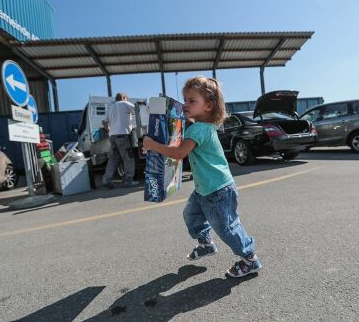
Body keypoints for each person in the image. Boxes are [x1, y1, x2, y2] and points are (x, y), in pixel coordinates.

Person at [143, 76, 261, 278]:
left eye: (192, 100)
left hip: (217, 191)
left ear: (208, 106)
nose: (185, 104)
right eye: (185, 99)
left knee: (227, 228)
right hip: (204, 190)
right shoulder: (201, 126)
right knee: (191, 216)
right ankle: (206, 243)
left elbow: (179, 152)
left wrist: (153, 146)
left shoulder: (198, 129)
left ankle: (250, 258)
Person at [102, 93, 139, 189]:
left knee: (113, 159)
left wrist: (109, 130)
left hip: (112, 136)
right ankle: (128, 181)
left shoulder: (111, 107)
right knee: (128, 159)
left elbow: (104, 122)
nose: (127, 100)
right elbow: (137, 109)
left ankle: (106, 180)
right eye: (127, 98)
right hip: (123, 135)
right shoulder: (124, 103)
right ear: (123, 98)